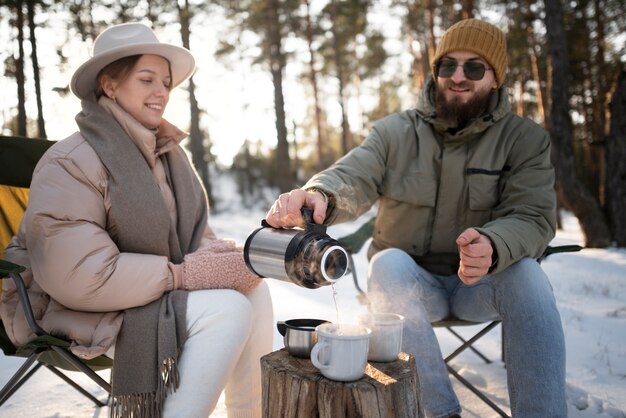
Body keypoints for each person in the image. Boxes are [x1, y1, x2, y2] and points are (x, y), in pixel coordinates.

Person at [266, 18, 566, 418]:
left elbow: (533, 215)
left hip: (480, 284)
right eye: (447, 66)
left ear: (495, 79)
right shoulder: (395, 133)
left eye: (474, 67)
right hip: (410, 289)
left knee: (528, 274)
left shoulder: (524, 139)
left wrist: (496, 244)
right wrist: (321, 193)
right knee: (387, 261)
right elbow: (352, 175)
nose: (458, 77)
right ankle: (439, 413)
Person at [0, 22, 273, 418]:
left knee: (252, 291)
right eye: (147, 79)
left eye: (165, 82)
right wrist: (183, 274)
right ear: (109, 85)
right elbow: (79, 276)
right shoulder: (70, 162)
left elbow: (196, 240)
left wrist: (230, 260)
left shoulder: (168, 156)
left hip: (143, 291)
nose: (162, 91)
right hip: (67, 305)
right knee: (227, 311)